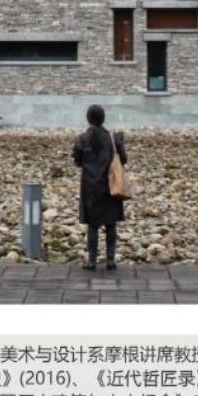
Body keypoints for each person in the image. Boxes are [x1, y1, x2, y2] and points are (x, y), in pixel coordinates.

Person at [72, 104, 128, 271]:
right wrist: (121, 143)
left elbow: (77, 161)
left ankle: (92, 261)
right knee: (111, 224)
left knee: (93, 225)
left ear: (88, 119)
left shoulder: (82, 139)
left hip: (90, 186)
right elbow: (123, 160)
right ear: (103, 118)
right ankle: (110, 260)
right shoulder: (112, 138)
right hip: (110, 185)